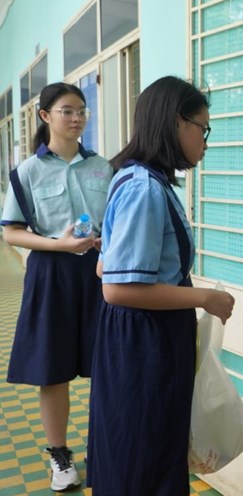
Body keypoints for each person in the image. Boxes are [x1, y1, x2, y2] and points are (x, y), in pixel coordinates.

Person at [87, 76, 235, 495]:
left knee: (145, 448)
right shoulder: (143, 189)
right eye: (202, 129)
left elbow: (105, 269)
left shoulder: (140, 180)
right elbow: (117, 288)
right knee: (143, 453)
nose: (206, 140)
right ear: (176, 123)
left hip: (145, 334)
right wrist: (206, 297)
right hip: (143, 341)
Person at [0, 82, 110, 492]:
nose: (78, 117)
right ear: (45, 116)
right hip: (51, 273)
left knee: (107, 364)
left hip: (100, 272)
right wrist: (57, 244)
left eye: (82, 110)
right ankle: (59, 456)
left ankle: (103, 448)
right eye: (67, 110)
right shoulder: (27, 172)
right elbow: (11, 233)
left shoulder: (102, 167)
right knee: (54, 369)